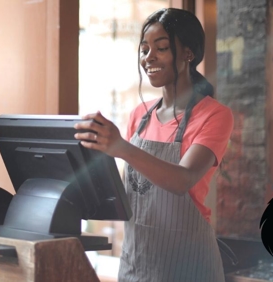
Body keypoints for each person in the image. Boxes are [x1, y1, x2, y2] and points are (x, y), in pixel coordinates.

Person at [74, 8, 233, 282]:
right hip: (137, 264)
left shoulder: (215, 115)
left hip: (189, 267)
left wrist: (121, 147)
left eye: (161, 48)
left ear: (188, 53)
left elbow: (183, 179)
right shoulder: (139, 115)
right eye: (145, 49)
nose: (149, 58)